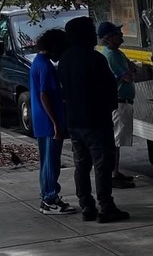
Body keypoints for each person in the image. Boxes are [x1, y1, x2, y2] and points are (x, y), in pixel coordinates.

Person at [58, 16, 130, 224]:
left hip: (74, 120)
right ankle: (106, 206)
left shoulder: (65, 59)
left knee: (81, 165)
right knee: (102, 164)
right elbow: (108, 88)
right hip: (97, 120)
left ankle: (87, 206)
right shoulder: (95, 58)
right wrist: (110, 106)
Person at [29, 29, 76, 215]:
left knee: (47, 161)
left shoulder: (38, 63)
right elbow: (45, 95)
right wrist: (56, 123)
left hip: (42, 120)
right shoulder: (46, 67)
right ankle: (50, 198)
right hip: (49, 122)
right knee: (51, 162)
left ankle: (48, 196)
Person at [97, 21, 137, 190]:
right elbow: (129, 75)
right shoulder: (112, 55)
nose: (121, 35)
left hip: (120, 101)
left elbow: (131, 69)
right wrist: (130, 70)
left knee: (117, 140)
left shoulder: (114, 53)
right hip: (119, 102)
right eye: (117, 34)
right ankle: (113, 173)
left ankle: (115, 171)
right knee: (116, 140)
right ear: (108, 38)